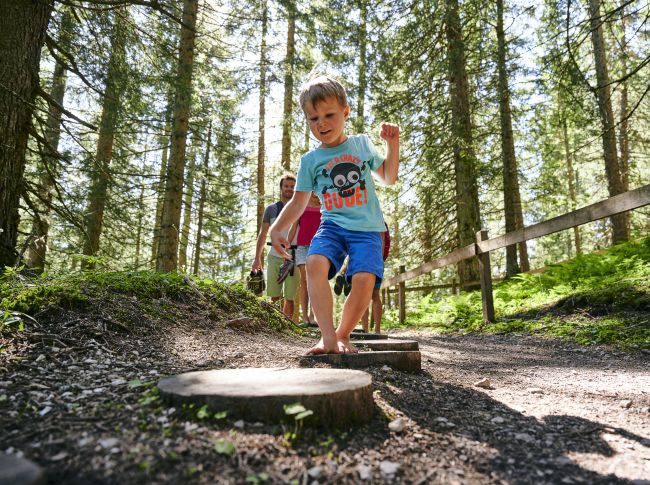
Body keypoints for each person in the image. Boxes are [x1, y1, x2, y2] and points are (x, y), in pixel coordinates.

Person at [270, 74, 400, 354]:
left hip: (368, 229)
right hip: (332, 226)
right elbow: (298, 203)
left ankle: (343, 335)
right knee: (315, 262)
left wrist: (392, 144)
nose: (322, 124)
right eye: (313, 119)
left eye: (329, 115)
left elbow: (388, 178)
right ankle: (327, 337)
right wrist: (277, 229)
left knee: (364, 279)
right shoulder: (310, 161)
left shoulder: (362, 145)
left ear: (345, 112)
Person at [252, 174, 298, 319]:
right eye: (286, 186)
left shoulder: (299, 209)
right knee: (274, 295)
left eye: (292, 187)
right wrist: (256, 258)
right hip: (274, 256)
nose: (289, 189)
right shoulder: (271, 209)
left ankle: (288, 327)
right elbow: (262, 234)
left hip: (294, 256)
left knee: (290, 296)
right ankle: (275, 325)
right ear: (281, 188)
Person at [287, 192, 322, 326]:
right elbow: (294, 226)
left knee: (316, 280)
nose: (314, 194)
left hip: (319, 246)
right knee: (304, 279)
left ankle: (313, 315)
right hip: (302, 246)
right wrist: (287, 245)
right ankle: (305, 317)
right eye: (312, 191)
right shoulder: (301, 205)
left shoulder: (325, 206)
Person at [361, 223, 390, 333]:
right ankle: (366, 329)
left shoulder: (377, 221)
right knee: (369, 295)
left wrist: (378, 260)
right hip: (369, 260)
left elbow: (382, 241)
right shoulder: (373, 219)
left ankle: (375, 329)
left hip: (373, 261)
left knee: (373, 294)